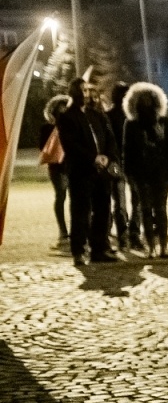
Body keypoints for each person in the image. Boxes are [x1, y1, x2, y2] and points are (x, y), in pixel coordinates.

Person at [53, 78, 115, 265]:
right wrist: (92, 158)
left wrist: (107, 157)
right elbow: (71, 145)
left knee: (103, 211)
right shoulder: (67, 117)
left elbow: (109, 138)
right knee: (80, 212)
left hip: (101, 171)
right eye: (83, 90)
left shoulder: (96, 115)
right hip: (81, 172)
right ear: (74, 92)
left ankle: (99, 249)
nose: (87, 94)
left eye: (88, 90)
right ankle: (79, 251)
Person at [121, 82, 168, 259]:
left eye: (150, 98)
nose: (146, 101)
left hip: (161, 172)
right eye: (142, 98)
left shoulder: (163, 122)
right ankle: (151, 247)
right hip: (140, 173)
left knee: (161, 210)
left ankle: (163, 246)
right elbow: (127, 151)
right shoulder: (131, 124)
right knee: (145, 209)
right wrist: (129, 174)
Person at [102, 80, 136, 254]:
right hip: (117, 164)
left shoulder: (127, 116)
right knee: (119, 201)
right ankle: (122, 237)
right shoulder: (117, 116)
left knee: (119, 201)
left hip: (121, 163)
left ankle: (120, 236)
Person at [39, 95, 72, 246]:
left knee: (75, 199)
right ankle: (63, 231)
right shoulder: (47, 128)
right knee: (61, 196)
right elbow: (43, 148)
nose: (64, 110)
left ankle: (75, 230)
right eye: (60, 107)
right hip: (57, 168)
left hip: (73, 166)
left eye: (66, 107)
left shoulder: (73, 124)